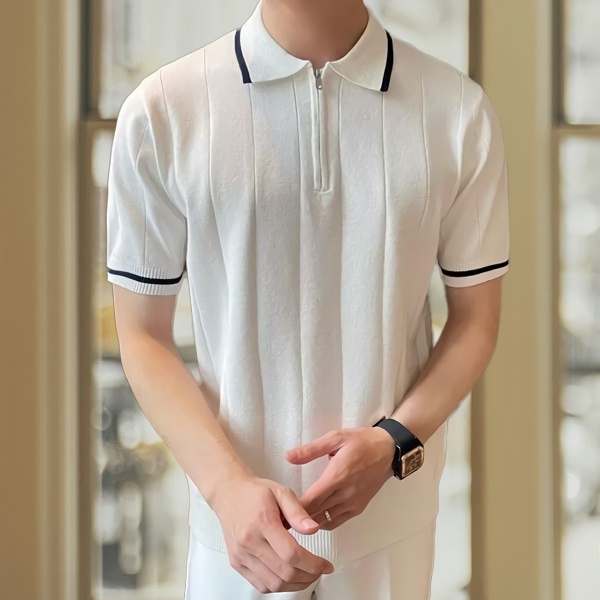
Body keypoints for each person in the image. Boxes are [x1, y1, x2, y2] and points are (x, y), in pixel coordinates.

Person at [106, 0, 509, 598]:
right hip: (232, 536)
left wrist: (394, 441)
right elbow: (142, 337)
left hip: (390, 528)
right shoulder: (164, 110)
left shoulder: (456, 112)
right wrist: (226, 489)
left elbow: (476, 320)